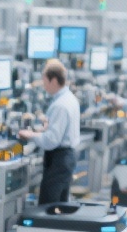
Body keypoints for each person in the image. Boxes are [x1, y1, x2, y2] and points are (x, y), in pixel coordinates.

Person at [19, 59, 81, 204]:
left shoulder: (60, 105)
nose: (44, 86)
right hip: (67, 157)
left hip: (59, 159)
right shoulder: (69, 98)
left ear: (54, 80)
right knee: (60, 204)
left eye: (45, 82)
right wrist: (47, 126)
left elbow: (51, 141)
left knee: (48, 206)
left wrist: (31, 135)